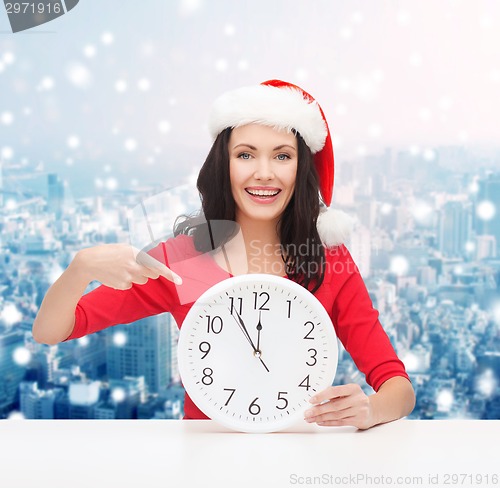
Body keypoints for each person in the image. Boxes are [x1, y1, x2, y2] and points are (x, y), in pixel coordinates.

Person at [33, 79, 415, 429]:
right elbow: (52, 330)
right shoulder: (182, 262)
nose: (264, 173)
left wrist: (370, 409)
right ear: (224, 165)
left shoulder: (330, 261)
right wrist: (80, 269)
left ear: (302, 169)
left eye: (282, 156)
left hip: (301, 453)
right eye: (246, 155)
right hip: (205, 459)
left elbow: (397, 384)